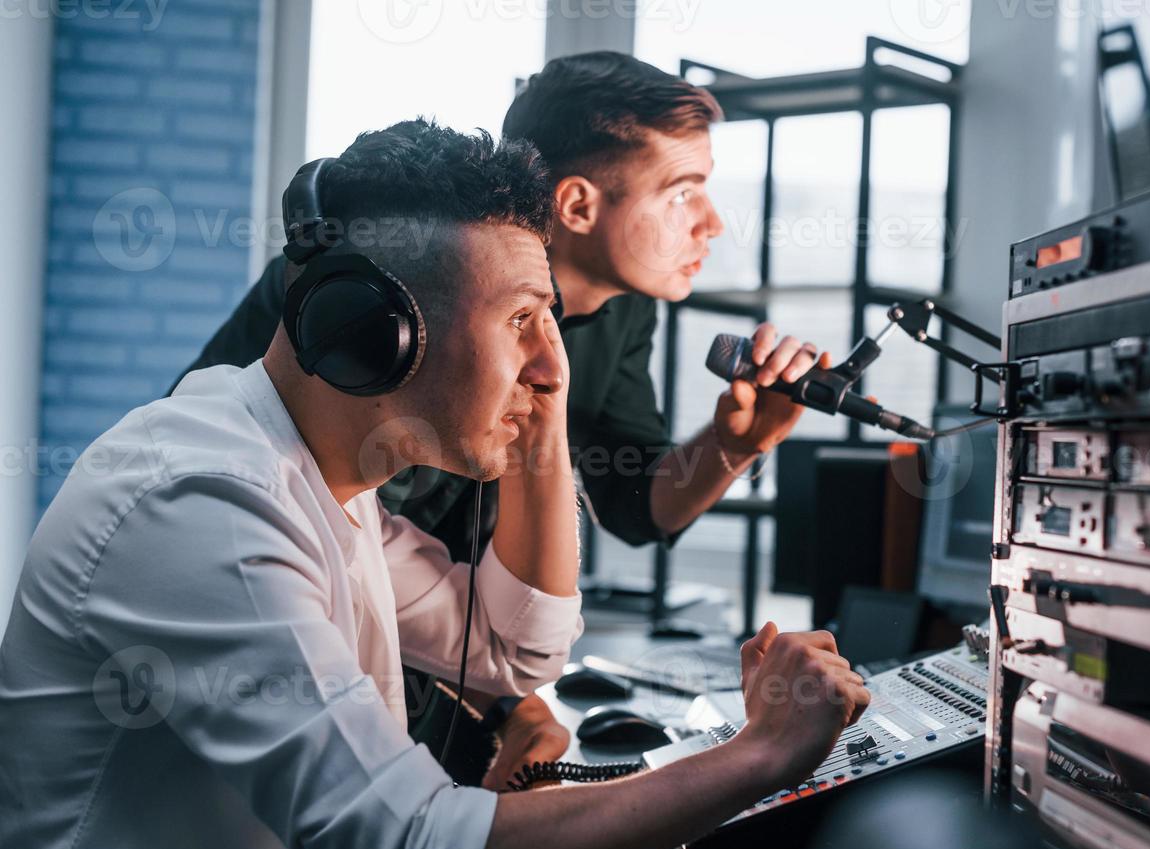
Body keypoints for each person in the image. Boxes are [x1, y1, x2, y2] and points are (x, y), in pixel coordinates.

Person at [0, 121, 869, 849]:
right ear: (374, 330)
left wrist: (540, 415)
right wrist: (759, 755)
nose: (549, 362)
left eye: (549, 324)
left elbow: (513, 647)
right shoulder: (202, 499)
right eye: (521, 319)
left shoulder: (331, 492)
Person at [180, 51, 830, 790]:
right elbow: (258, 500)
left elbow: (637, 502)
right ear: (579, 205)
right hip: (323, 653)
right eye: (684, 193)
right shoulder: (361, 302)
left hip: (460, 662)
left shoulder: (622, 313)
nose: (714, 223)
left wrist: (735, 442)